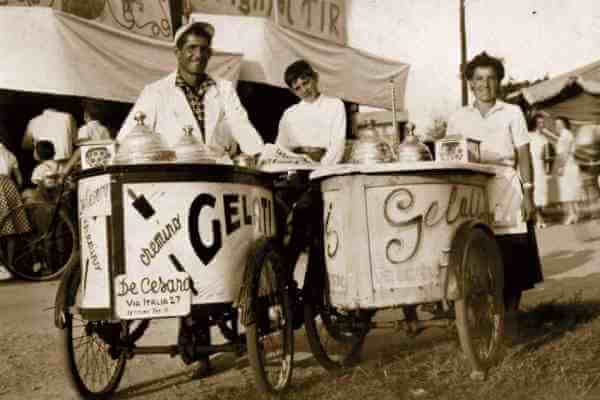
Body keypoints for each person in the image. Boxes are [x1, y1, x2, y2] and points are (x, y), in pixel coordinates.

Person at [447, 52, 542, 328]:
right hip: (472, 188)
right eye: (479, 79)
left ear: (499, 82)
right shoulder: (458, 118)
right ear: (470, 84)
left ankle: (508, 320)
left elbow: (524, 155)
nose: (485, 84)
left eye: (491, 78)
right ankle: (481, 320)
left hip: (506, 185)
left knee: (511, 256)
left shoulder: (512, 113)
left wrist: (529, 195)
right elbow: (452, 155)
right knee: (475, 255)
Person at [117, 21, 264, 161]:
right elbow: (126, 139)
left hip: (218, 174)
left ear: (210, 53)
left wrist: (260, 155)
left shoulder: (224, 89)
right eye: (191, 48)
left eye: (204, 49)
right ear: (177, 52)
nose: (198, 55)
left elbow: (241, 126)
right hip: (175, 176)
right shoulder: (155, 92)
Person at [275, 59, 347, 165]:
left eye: (306, 83)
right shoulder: (289, 114)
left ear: (315, 78)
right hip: (295, 167)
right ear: (292, 91)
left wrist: (322, 168)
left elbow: (338, 144)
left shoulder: (335, 105)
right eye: (297, 88)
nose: (304, 90)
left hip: (325, 166)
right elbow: (281, 146)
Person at [0, 138, 30, 273]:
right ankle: (10, 265)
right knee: (11, 230)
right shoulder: (10, 155)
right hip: (9, 187)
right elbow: (20, 179)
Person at [551, 116, 580, 224]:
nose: (557, 126)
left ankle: (571, 214)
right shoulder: (566, 135)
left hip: (567, 166)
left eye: (560, 124)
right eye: (556, 124)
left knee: (567, 191)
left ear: (564, 124)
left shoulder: (565, 135)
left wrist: (561, 167)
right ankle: (574, 214)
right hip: (569, 164)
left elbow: (565, 153)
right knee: (569, 190)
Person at [528, 114, 551, 228]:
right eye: (540, 122)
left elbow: (547, 157)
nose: (542, 125)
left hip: (540, 167)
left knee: (541, 193)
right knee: (534, 193)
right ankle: (538, 219)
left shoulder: (544, 139)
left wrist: (547, 171)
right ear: (535, 124)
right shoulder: (529, 135)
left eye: (543, 122)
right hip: (531, 166)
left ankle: (540, 217)